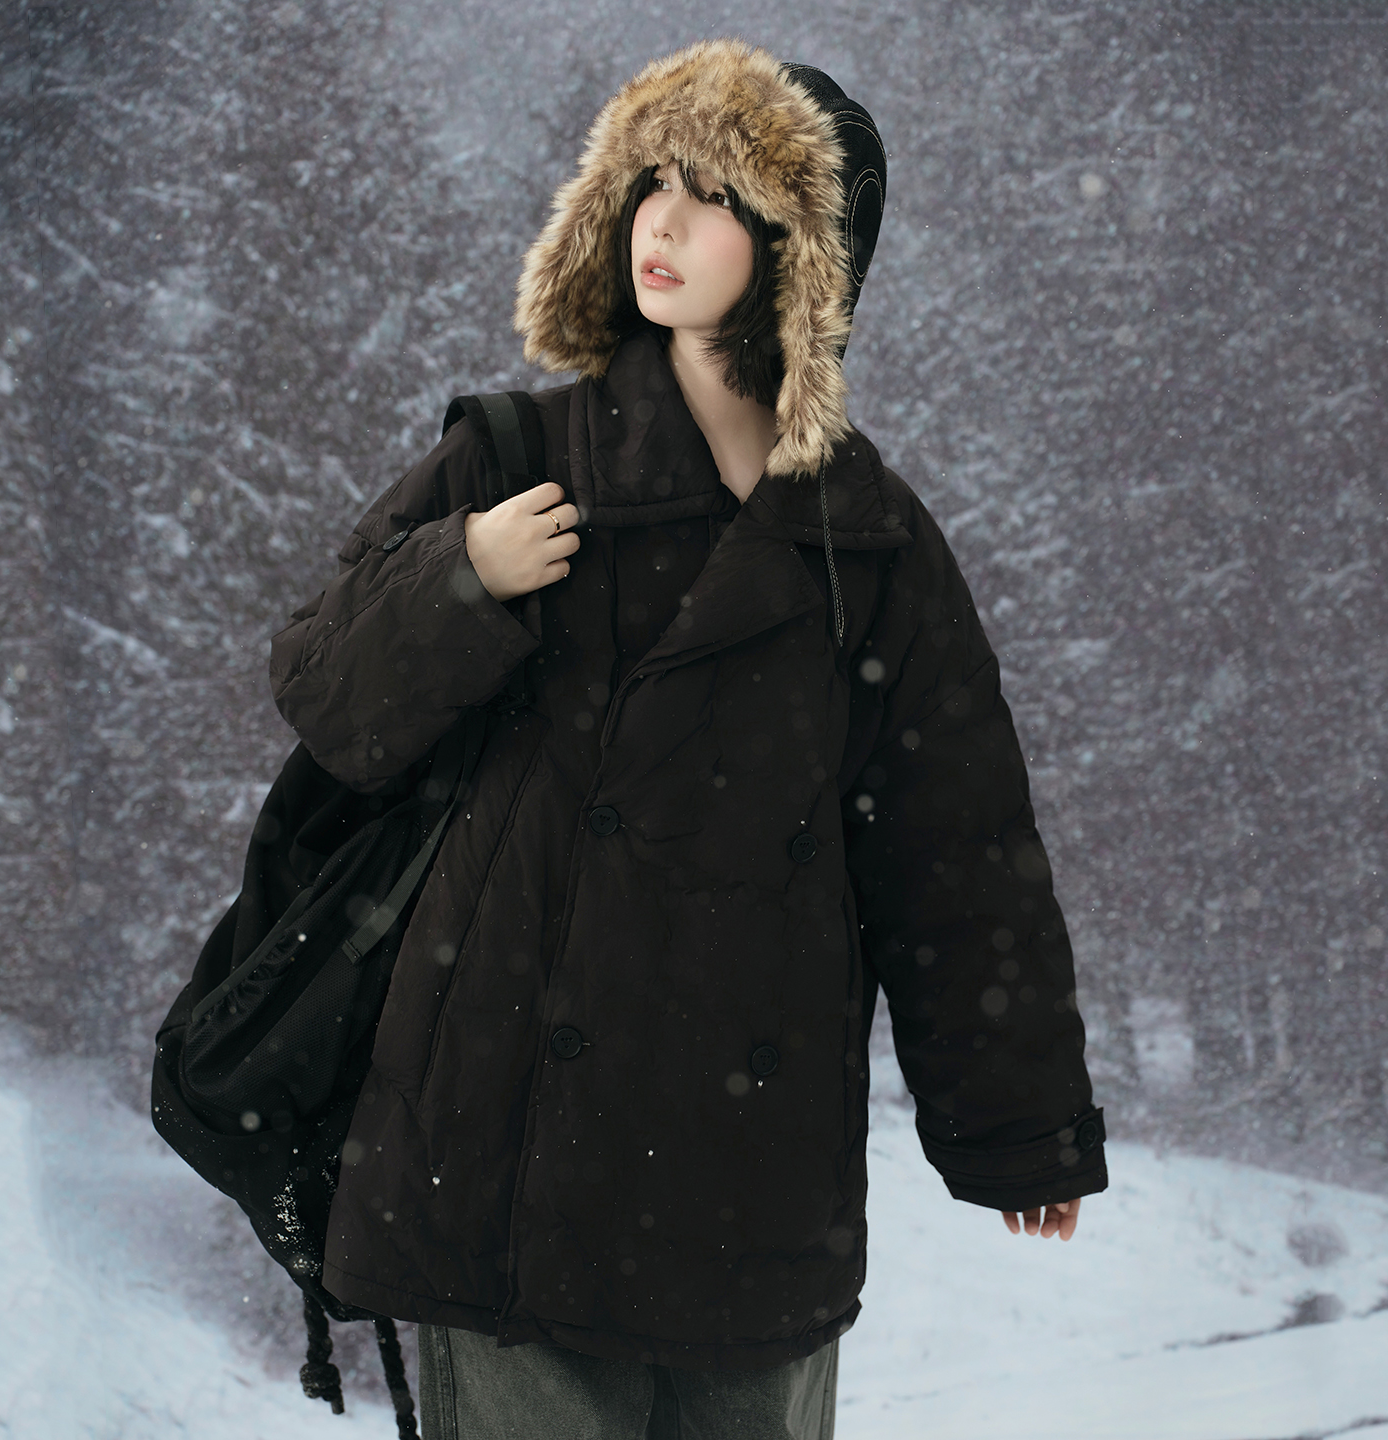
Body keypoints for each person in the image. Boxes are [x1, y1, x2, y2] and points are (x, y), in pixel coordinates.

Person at [269, 38, 1107, 1440]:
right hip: (501, 1165)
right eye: (652, 179)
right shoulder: (518, 460)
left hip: (750, 1189)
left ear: (804, 258)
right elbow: (320, 690)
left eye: (717, 195)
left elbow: (957, 852)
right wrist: (461, 576)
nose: (661, 220)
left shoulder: (871, 545)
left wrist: (1021, 1124)